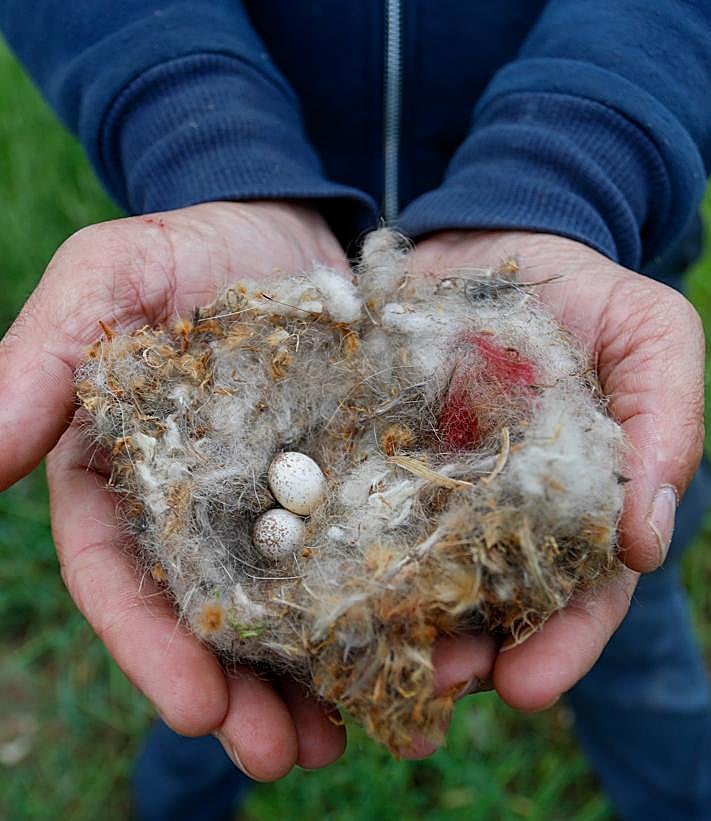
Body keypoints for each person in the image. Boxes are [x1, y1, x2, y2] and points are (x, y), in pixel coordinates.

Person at [1, 2, 710, 818]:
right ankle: (176, 797)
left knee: (622, 607)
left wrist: (578, 166)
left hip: (577, 242)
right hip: (248, 193)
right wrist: (198, 135)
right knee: (223, 637)